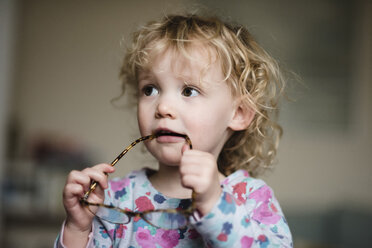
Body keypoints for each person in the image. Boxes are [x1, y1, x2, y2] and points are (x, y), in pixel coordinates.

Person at [55, 13, 292, 247]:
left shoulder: (251, 198)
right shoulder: (112, 199)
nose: (163, 107)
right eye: (150, 90)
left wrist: (214, 204)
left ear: (238, 113)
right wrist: (78, 228)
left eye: (189, 90)